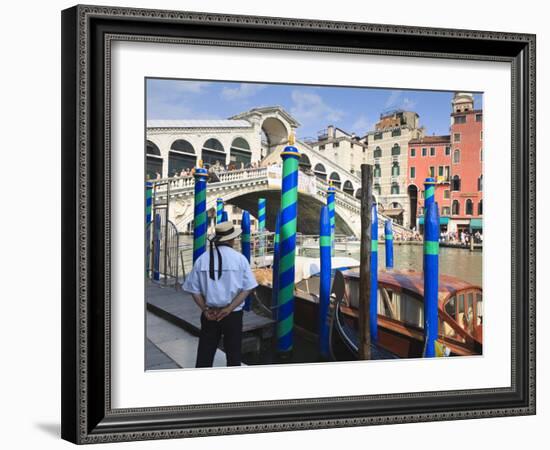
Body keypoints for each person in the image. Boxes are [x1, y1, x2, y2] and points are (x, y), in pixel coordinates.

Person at [181, 222, 258, 367]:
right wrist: (229, 309)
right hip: (232, 314)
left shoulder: (202, 259)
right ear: (231, 240)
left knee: (205, 354)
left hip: (210, 314)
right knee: (233, 355)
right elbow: (247, 289)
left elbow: (194, 290)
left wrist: (205, 309)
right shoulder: (240, 259)